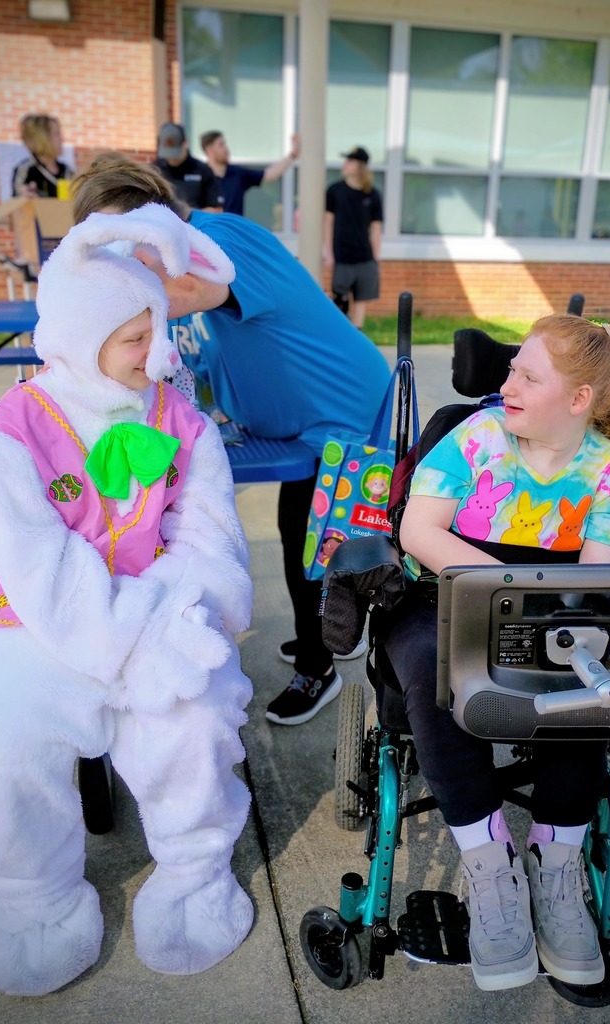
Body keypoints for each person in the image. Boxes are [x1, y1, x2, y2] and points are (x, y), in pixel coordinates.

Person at [0, 204, 256, 995]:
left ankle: (194, 877)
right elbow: (37, 563)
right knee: (3, 739)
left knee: (195, 719)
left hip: (161, 601)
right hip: (42, 619)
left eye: (157, 334)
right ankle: (37, 899)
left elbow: (211, 533)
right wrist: (126, 628)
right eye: (137, 340)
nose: (158, 356)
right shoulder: (9, 431)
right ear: (82, 337)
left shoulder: (180, 416)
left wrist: (168, 608)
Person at [70, 156, 392, 726]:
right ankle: (315, 634)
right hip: (299, 420)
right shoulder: (191, 248)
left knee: (311, 545)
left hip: (344, 416)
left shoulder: (219, 240)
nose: (121, 265)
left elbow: (197, 287)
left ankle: (320, 667)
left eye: (124, 244)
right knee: (304, 541)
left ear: (157, 226)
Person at [383, 314, 610, 992]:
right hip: (439, 596)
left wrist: (549, 622)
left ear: (579, 399)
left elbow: (598, 578)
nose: (507, 385)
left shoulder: (608, 471)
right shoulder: (477, 436)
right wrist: (505, 595)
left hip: (552, 615)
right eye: (510, 371)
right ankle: (490, 867)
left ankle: (557, 868)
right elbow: (418, 529)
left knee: (586, 684)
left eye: (528, 376)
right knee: (442, 675)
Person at [324, 146, 383, 329]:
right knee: (340, 303)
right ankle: (340, 339)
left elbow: (376, 229)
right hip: (342, 257)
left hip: (364, 258)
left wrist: (375, 259)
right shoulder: (335, 191)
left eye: (350, 161)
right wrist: (328, 253)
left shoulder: (372, 195)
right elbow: (328, 223)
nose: (345, 164)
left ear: (360, 166)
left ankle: (358, 339)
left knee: (361, 302)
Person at [200, 130, 299, 215]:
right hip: (208, 235)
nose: (226, 149)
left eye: (225, 144)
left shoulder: (237, 174)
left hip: (235, 234)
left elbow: (268, 174)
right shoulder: (199, 177)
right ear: (209, 151)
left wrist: (293, 155)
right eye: (221, 145)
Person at [153, 122, 221, 211]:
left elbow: (216, 209)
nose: (171, 157)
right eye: (167, 153)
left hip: (194, 223)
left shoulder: (202, 171)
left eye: (175, 153)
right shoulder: (154, 171)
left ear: (185, 143)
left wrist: (189, 215)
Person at [12, 113, 73, 198]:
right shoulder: (26, 170)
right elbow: (17, 201)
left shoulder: (67, 171)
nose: (61, 139)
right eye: (56, 134)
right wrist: (24, 195)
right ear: (43, 138)